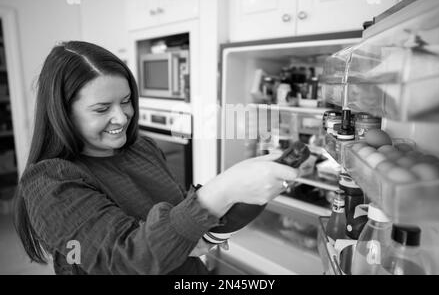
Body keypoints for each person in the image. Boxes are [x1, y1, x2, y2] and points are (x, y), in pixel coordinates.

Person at [14, 41, 299, 275]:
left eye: (126, 101)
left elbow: (178, 214)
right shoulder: (50, 181)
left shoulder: (142, 149)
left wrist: (248, 186)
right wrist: (221, 189)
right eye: (102, 109)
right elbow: (124, 260)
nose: (122, 116)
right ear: (62, 112)